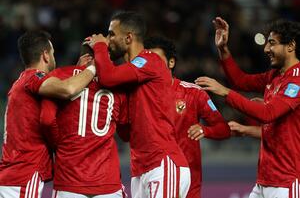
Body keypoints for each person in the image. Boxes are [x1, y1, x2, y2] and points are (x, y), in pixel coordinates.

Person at [86, 11, 191, 198]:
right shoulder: (128, 76)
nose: (107, 39)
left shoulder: (150, 60)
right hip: (140, 168)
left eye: (111, 34)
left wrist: (100, 47)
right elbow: (126, 134)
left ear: (128, 38)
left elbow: (108, 77)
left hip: (162, 162)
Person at [195, 17, 300, 198]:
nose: (266, 49)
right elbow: (240, 81)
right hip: (264, 180)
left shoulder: (297, 80)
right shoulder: (274, 76)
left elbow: (268, 113)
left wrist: (225, 92)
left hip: (286, 182)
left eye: (272, 43)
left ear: (290, 46)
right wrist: (223, 49)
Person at [0, 31, 96, 198]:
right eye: (52, 53)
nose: (53, 57)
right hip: (24, 175)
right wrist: (92, 69)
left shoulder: (20, 82)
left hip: (13, 176)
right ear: (45, 55)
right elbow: (67, 89)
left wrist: (76, 70)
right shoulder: (34, 78)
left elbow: (58, 86)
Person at [142, 36, 231, 198]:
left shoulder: (193, 93)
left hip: (186, 179)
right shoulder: (139, 94)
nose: (151, 65)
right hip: (149, 175)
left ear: (171, 63)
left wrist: (205, 130)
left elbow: (223, 129)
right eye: (147, 61)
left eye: (157, 60)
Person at [39, 43, 128, 198]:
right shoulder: (118, 85)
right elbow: (126, 130)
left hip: (69, 180)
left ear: (84, 57)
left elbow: (46, 120)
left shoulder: (59, 76)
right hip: (107, 182)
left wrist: (58, 144)